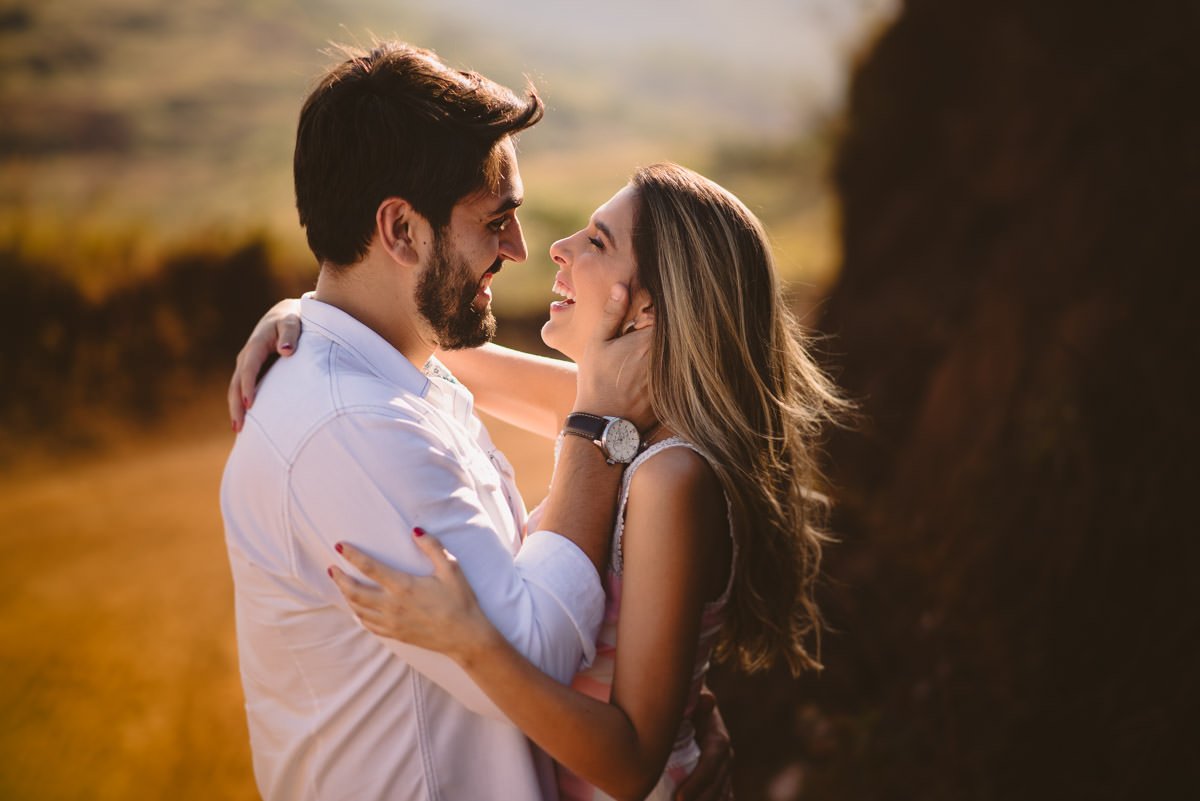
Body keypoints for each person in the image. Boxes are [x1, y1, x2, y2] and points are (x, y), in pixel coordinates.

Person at [236, 164, 849, 799]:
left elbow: (632, 762)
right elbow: (417, 339)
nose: (559, 247)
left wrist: (474, 646)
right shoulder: (616, 416)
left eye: (598, 242)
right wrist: (305, 314)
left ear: (647, 307)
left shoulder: (670, 477)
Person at [220, 41, 730, 801]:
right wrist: (598, 430)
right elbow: (538, 652)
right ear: (401, 230)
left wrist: (315, 311)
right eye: (496, 220)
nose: (524, 249)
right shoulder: (352, 426)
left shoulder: (406, 375)